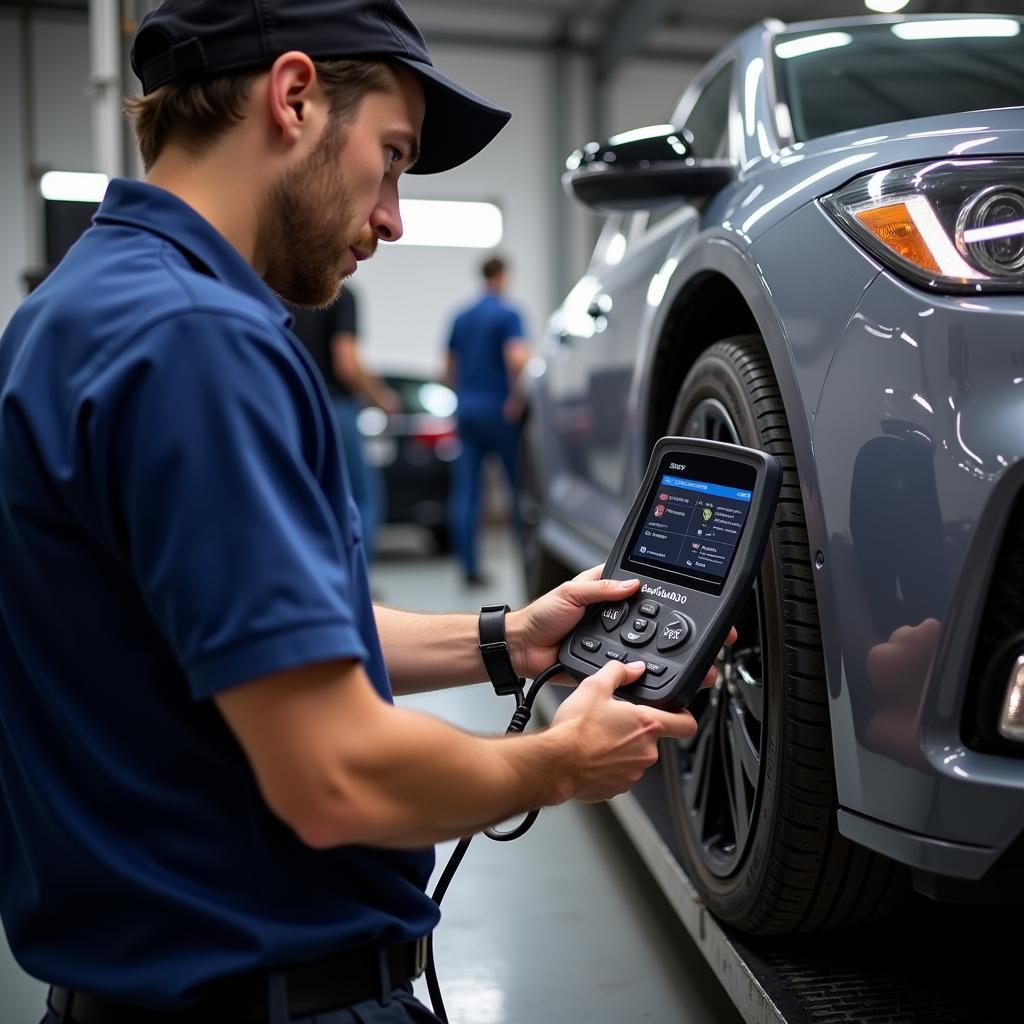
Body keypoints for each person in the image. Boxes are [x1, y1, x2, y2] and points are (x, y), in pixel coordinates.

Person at [0, 3, 727, 1021]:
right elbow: (333, 776)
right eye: (391, 160)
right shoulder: (199, 340)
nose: (392, 217)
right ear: (293, 97)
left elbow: (251, 633)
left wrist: (507, 639)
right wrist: (557, 762)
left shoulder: (77, 307)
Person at [289, 286, 398, 561]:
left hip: (291, 407)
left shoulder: (278, 290)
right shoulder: (340, 294)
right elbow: (346, 363)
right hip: (335, 407)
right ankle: (354, 586)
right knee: (362, 501)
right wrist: (381, 396)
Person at [445, 256, 530, 585]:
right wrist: (516, 398)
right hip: (499, 411)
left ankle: (468, 569)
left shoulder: (461, 316)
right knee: (518, 488)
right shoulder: (508, 314)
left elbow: (448, 366)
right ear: (502, 275)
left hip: (467, 410)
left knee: (467, 491)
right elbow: (517, 358)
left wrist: (463, 396)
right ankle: (526, 556)